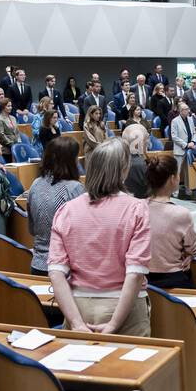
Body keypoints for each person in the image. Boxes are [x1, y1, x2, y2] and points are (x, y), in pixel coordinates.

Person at [47, 139, 152, 336]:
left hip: (77, 306)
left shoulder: (66, 210)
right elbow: (135, 273)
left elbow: (55, 272)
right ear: (124, 169)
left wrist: (76, 323)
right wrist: (113, 324)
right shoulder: (137, 209)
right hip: (125, 307)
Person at [25, 136, 84, 277]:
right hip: (66, 268)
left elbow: (32, 229)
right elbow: (83, 234)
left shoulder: (35, 184)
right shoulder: (75, 189)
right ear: (70, 161)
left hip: (38, 265)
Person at [144, 156, 196, 289]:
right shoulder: (181, 214)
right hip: (173, 279)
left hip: (142, 279)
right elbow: (192, 249)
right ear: (173, 178)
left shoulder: (136, 207)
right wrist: (190, 255)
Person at [170, 101, 196, 197]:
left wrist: (193, 142)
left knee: (188, 172)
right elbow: (174, 137)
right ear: (181, 111)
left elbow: (194, 133)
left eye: (188, 109)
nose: (188, 111)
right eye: (187, 109)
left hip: (190, 149)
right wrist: (186, 144)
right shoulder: (175, 121)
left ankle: (188, 190)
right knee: (177, 171)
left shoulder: (190, 119)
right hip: (180, 149)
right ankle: (175, 191)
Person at [120, 122, 152, 199]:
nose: (147, 143)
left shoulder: (120, 160)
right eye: (145, 140)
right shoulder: (141, 164)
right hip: (140, 203)